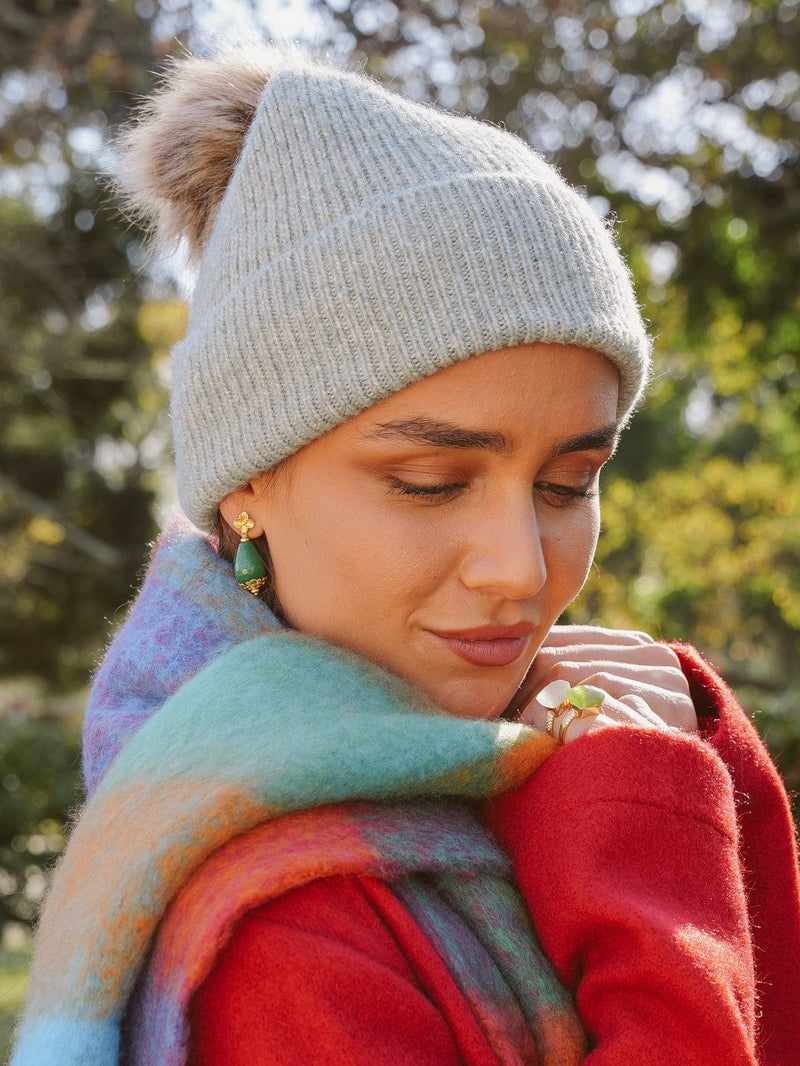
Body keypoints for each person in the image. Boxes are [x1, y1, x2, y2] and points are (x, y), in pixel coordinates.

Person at [10, 44, 800, 1066]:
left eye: (567, 484)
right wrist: (648, 841)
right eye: (429, 483)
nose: (519, 569)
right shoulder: (285, 927)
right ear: (247, 484)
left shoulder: (543, 735)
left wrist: (687, 759)